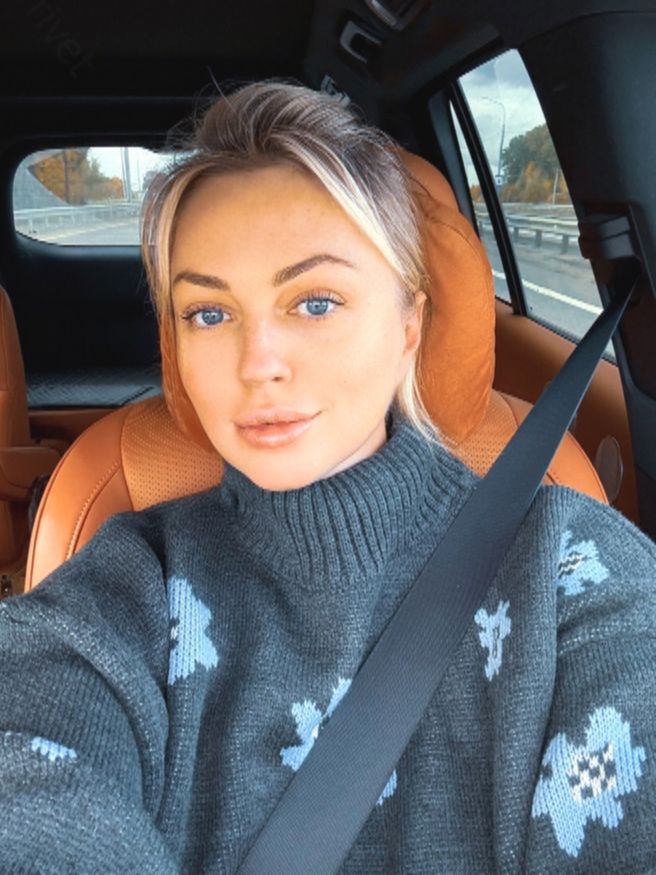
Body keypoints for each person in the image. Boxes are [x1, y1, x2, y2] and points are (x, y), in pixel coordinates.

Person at [1, 81, 655, 874]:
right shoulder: (128, 585)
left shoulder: (572, 570)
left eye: (314, 302)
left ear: (409, 324)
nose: (259, 363)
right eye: (209, 313)